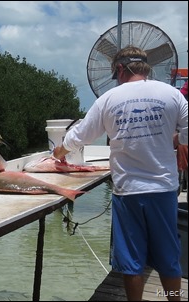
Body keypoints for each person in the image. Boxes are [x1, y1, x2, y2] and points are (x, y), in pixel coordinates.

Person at [53, 46, 188, 301]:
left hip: (128, 192)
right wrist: (176, 138)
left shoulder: (108, 99)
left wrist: (59, 152)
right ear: (146, 67)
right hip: (163, 190)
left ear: (119, 69)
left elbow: (80, 136)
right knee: (170, 260)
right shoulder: (171, 94)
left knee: (131, 263)